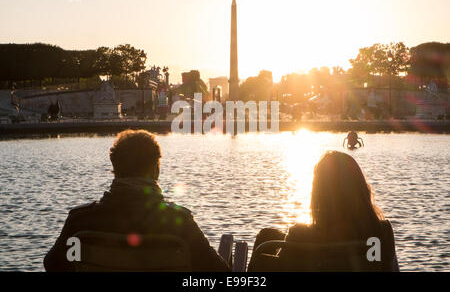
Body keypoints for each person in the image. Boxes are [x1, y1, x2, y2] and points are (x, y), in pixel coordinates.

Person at [44, 129, 229, 271]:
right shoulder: (179, 223)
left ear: (115, 169)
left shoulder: (81, 221)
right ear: (155, 170)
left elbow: (54, 265)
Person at [250, 151, 399, 271]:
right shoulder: (381, 232)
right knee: (268, 235)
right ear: (360, 189)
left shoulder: (299, 236)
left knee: (266, 238)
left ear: (318, 193)